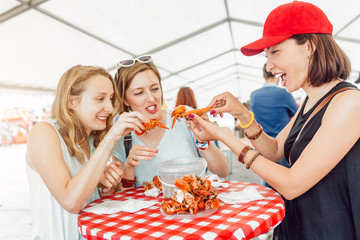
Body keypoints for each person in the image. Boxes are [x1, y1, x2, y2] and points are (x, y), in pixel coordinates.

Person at [187, 1, 360, 239]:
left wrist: (225, 137)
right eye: (267, 55)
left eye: (275, 51)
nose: (269, 65)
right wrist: (243, 115)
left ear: (309, 46)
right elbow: (275, 150)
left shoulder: (349, 102)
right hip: (298, 226)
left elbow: (291, 183)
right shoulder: (311, 101)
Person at [26, 65, 148, 239]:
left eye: (111, 98)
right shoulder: (43, 132)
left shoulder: (91, 139)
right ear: (71, 102)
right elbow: (71, 202)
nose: (110, 108)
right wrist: (110, 138)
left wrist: (103, 187)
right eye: (100, 99)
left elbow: (88, 199)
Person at [111, 55, 228, 187]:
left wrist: (203, 140)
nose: (151, 98)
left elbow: (223, 171)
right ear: (124, 99)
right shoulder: (120, 136)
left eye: (155, 89)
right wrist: (129, 166)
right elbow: (120, 195)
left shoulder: (182, 117)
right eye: (139, 93)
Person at [251, 64, 298, 188]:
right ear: (277, 75)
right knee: (284, 182)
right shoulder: (284, 93)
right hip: (281, 144)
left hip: (261, 143)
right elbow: (298, 115)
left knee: (266, 177)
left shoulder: (254, 95)